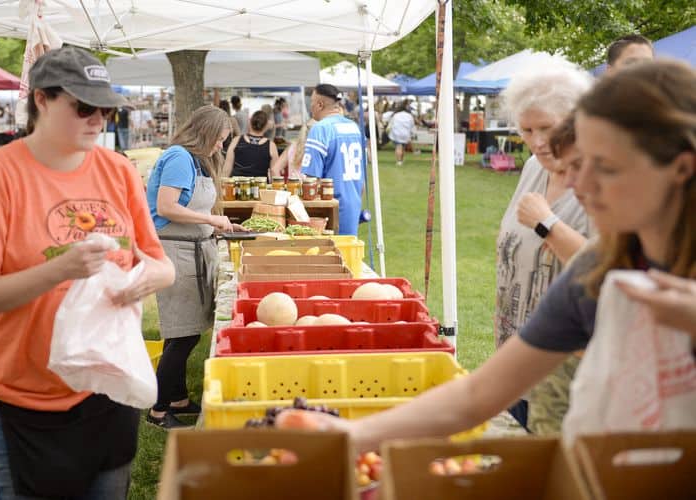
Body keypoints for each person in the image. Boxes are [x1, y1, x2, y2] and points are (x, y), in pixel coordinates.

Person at [277, 60, 696, 451]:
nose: (580, 183)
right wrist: (354, 434)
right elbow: (479, 394)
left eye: (604, 165)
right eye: (578, 162)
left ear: (680, 167)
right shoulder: (598, 271)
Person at [0, 46, 175, 499]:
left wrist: (151, 277)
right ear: (42, 100)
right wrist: (60, 270)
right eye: (84, 107)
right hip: (19, 397)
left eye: (106, 110)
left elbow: (159, 262)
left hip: (107, 384)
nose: (98, 120)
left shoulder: (118, 171)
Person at [495, 62, 593, 428]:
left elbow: (608, 269)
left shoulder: (599, 181)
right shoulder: (534, 168)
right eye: (526, 129)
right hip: (519, 349)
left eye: (547, 128)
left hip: (567, 365)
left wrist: (547, 223)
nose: (536, 142)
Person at [145, 105, 238, 429]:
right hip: (176, 253)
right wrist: (210, 219)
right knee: (181, 335)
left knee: (185, 330)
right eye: (219, 140)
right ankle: (158, 410)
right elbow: (166, 207)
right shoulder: (178, 158)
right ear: (206, 133)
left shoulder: (193, 161)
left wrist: (214, 228)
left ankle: (178, 398)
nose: (220, 147)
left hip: (193, 248)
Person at [302, 84, 364, 236]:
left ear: (320, 104)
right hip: (354, 202)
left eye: (311, 104)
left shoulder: (320, 129)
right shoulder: (354, 127)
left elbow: (311, 180)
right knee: (348, 254)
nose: (311, 108)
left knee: (330, 256)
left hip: (329, 206)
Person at [223, 110, 279, 178]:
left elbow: (226, 170)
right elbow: (274, 173)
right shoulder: (271, 146)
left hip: (237, 185)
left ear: (249, 122)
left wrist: (221, 186)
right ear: (266, 126)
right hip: (260, 186)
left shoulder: (236, 140)